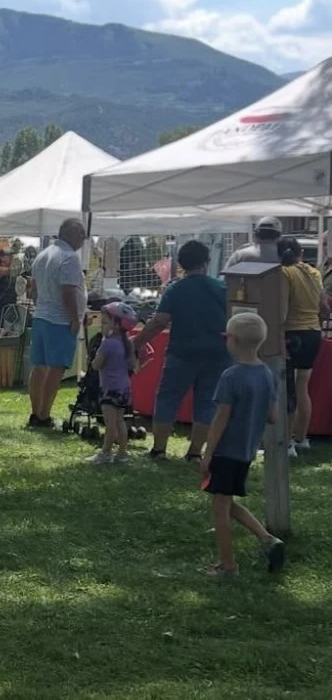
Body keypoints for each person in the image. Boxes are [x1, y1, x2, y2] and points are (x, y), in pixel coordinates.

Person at [199, 312, 286, 576]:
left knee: (220, 509)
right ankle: (267, 539)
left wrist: (207, 452)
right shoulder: (267, 375)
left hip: (226, 451)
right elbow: (272, 417)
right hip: (246, 451)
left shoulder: (231, 376)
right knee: (225, 500)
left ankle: (228, 566)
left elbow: (220, 419)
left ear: (233, 340)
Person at [135, 239, 229, 461]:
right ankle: (195, 452)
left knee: (168, 398)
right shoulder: (222, 288)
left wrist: (137, 342)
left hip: (182, 351)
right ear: (207, 262)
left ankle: (159, 449)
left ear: (182, 264)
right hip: (217, 353)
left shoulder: (175, 289)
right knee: (206, 403)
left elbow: (159, 321)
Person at [26, 218, 87, 430]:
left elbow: (33, 290)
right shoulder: (69, 258)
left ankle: (36, 412)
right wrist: (74, 318)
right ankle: (44, 415)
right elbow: (68, 291)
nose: (83, 241)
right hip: (59, 320)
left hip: (42, 316)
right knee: (56, 369)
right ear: (72, 235)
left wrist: (40, 306)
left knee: (39, 367)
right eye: (81, 236)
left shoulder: (43, 255)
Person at [277, 234, 324, 458]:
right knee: (302, 387)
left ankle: (286, 443)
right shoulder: (314, 272)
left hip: (292, 334)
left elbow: (282, 310)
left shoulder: (284, 273)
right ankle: (301, 438)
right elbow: (323, 306)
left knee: (287, 391)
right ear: (301, 253)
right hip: (313, 333)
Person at [88, 301, 138, 466]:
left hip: (109, 390)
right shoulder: (127, 343)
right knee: (120, 421)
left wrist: (93, 358)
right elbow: (133, 366)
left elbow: (96, 365)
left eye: (104, 322)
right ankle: (122, 454)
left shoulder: (107, 343)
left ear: (116, 325)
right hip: (124, 390)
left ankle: (106, 453)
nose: (101, 326)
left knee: (110, 424)